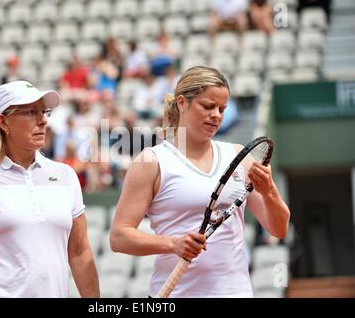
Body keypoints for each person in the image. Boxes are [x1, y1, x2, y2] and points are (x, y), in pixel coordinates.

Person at [110, 66, 290, 297]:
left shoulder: (239, 158)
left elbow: (279, 229)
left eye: (222, 109)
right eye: (207, 106)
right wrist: (173, 244)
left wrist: (270, 191)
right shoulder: (151, 161)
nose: (216, 114)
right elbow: (119, 237)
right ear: (182, 103)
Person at [0, 81, 100, 298]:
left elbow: (80, 253)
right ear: (3, 122)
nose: (43, 120)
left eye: (44, 111)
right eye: (31, 112)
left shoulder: (66, 175)